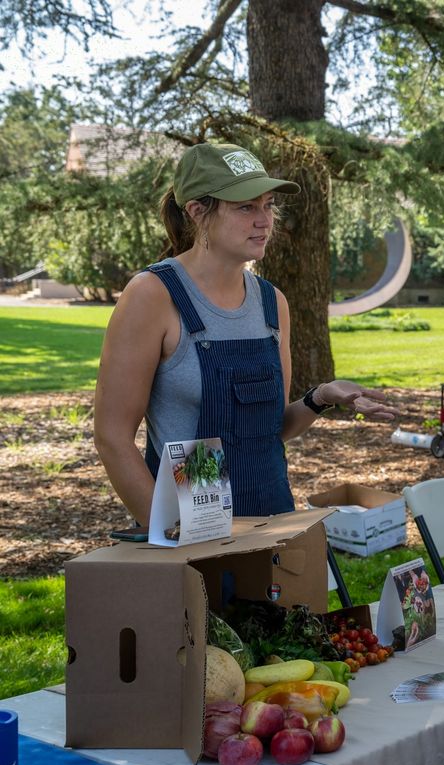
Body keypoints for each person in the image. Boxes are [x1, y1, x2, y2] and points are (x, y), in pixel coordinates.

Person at [94, 142, 399, 524]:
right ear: (197, 212)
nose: (264, 220)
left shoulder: (271, 302)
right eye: (245, 207)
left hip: (271, 508)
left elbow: (269, 432)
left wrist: (320, 397)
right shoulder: (154, 295)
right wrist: (168, 531)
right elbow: (112, 437)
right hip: (194, 505)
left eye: (268, 205)